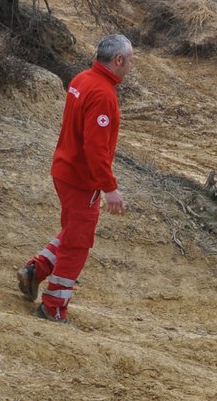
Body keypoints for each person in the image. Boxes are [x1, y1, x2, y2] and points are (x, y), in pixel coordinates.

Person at [17, 34, 134, 323]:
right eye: (130, 60)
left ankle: (36, 270)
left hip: (64, 171)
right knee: (78, 243)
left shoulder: (81, 79)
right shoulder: (104, 94)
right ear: (118, 60)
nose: (131, 66)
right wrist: (110, 188)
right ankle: (53, 306)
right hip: (82, 180)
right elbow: (95, 149)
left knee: (73, 231)